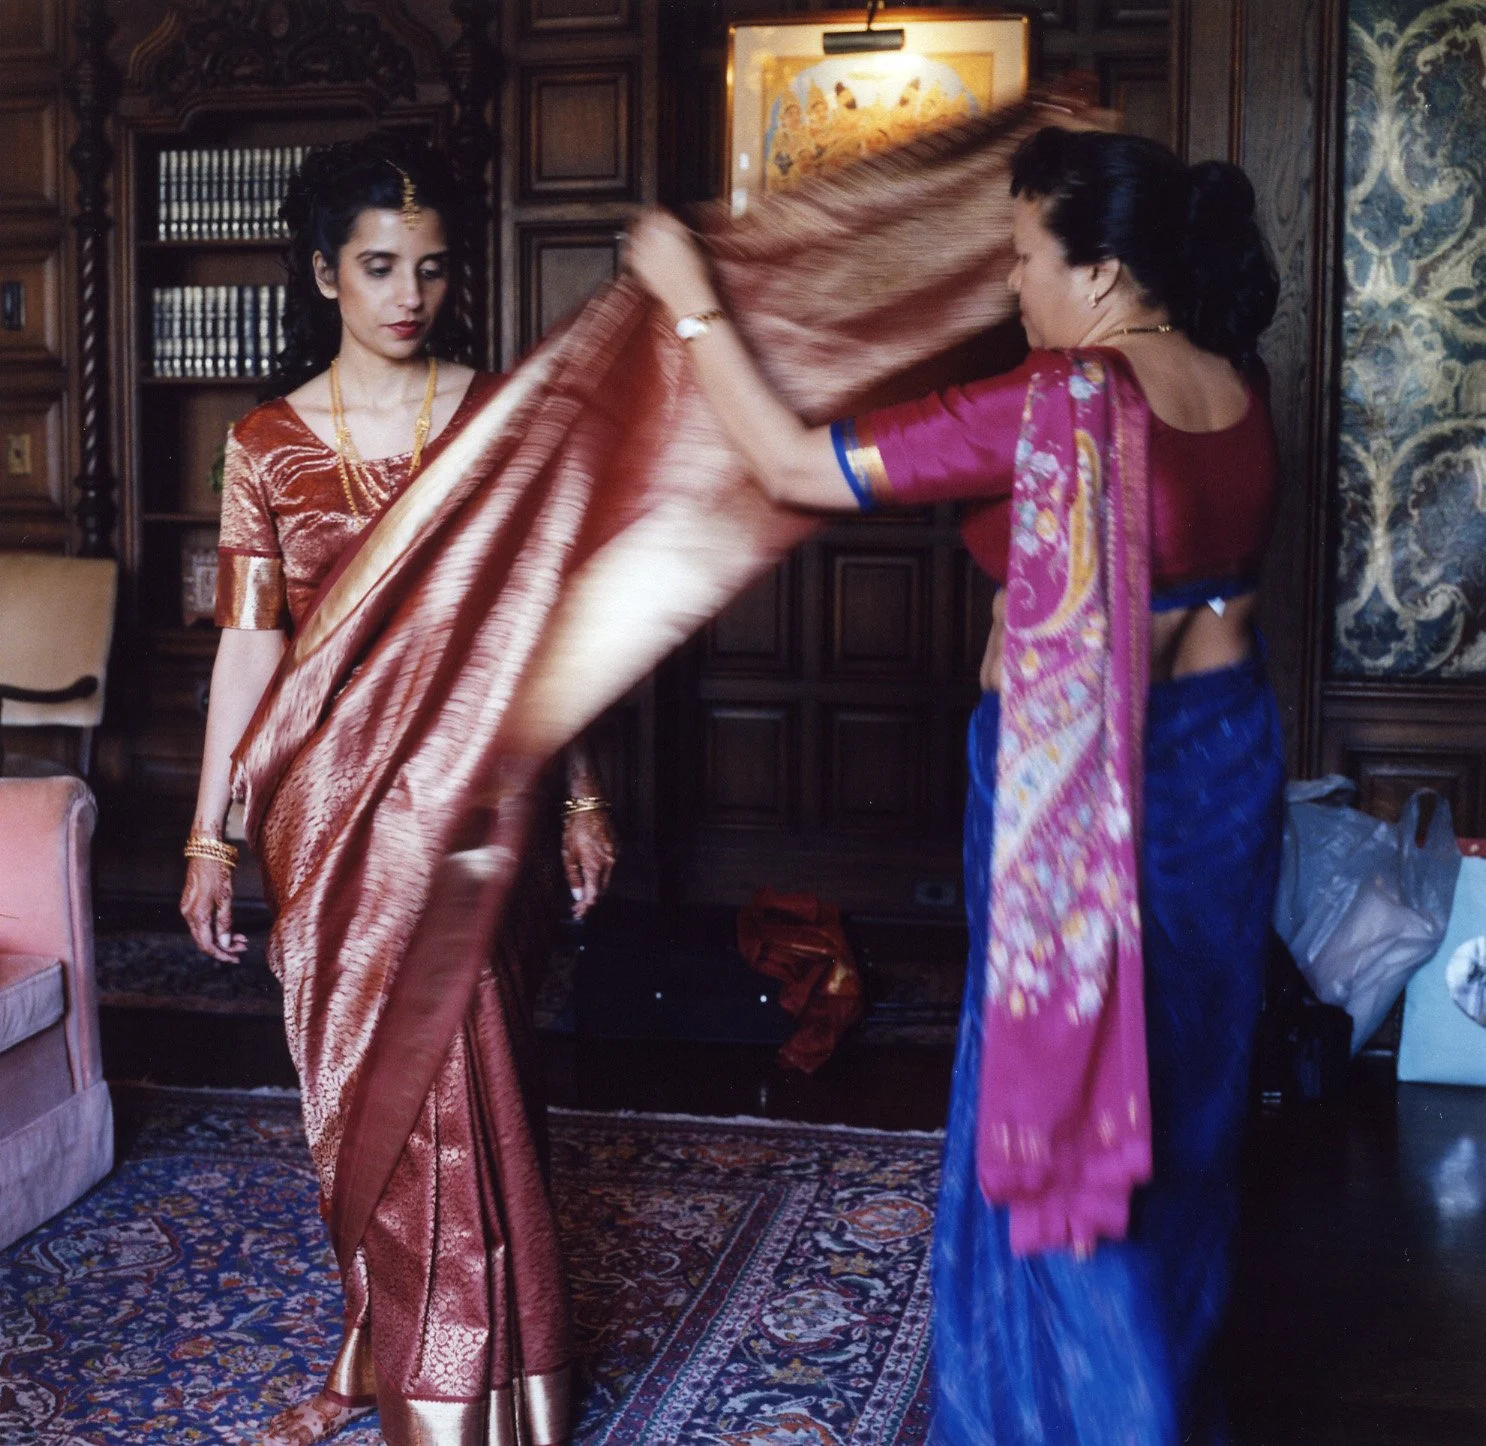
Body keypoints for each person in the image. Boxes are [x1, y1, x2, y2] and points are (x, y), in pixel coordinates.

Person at [628, 125, 1284, 1443]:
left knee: (1062, 1117)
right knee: (1179, 1113)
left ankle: (1087, 1416)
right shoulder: (1230, 380)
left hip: (1092, 803)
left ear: (1100, 276)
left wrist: (694, 306)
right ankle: (1169, 1395)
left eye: (1025, 257)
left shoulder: (1064, 403)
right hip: (1226, 772)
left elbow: (795, 467)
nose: (1011, 286)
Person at [180, 134, 615, 1446]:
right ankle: (382, 1345)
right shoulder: (264, 447)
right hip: (325, 813)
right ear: (323, 273)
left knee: (462, 1074)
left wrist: (585, 794)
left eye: (427, 267)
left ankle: (467, 1395)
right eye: (377, 267)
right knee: (368, 1095)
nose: (406, 293)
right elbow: (248, 647)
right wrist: (213, 831)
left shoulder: (504, 417)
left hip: (483, 793)